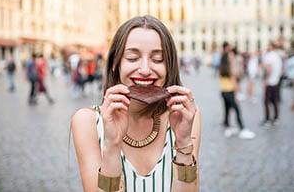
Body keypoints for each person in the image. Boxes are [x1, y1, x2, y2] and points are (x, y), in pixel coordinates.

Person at [71, 15, 201, 192]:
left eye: (157, 59)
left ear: (169, 65)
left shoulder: (184, 116)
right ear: (115, 64)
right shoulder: (87, 122)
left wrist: (184, 142)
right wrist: (111, 146)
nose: (146, 70)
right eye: (132, 58)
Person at [218, 49, 255, 139]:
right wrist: (237, 93)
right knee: (237, 110)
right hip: (230, 91)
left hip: (223, 91)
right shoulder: (230, 68)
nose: (232, 58)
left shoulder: (221, 68)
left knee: (227, 110)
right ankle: (242, 128)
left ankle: (228, 128)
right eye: (230, 56)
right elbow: (234, 82)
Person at [261, 42, 283, 126]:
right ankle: (276, 118)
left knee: (266, 101)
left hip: (270, 81)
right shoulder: (277, 56)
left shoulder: (270, 56)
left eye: (268, 45)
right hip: (276, 81)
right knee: (274, 101)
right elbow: (281, 69)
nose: (267, 47)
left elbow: (269, 69)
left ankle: (267, 120)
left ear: (271, 47)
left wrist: (266, 80)